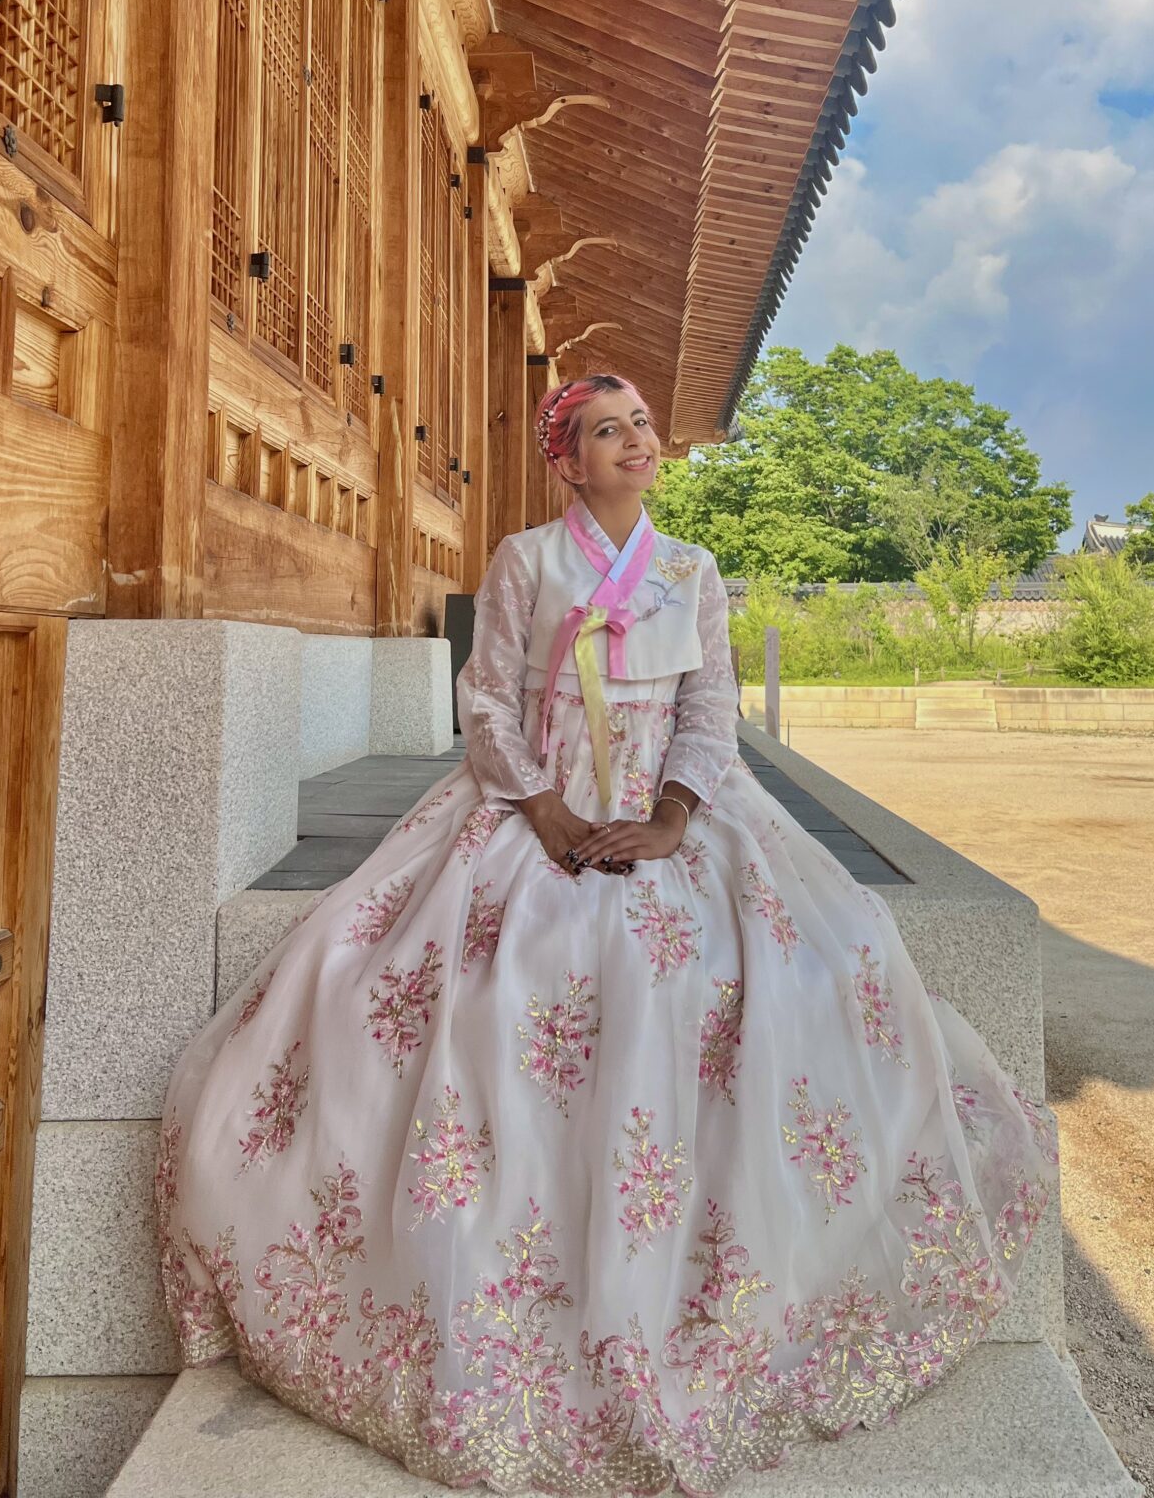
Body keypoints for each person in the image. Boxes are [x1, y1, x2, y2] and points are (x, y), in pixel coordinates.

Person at [156, 372, 1057, 1493]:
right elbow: (485, 698)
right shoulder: (528, 559)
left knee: (822, 949)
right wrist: (544, 807)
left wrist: (673, 815)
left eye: (640, 426)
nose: (634, 440)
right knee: (422, 967)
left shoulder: (693, 570)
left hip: (671, 804)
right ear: (568, 461)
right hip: (540, 795)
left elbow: (709, 707)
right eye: (605, 429)